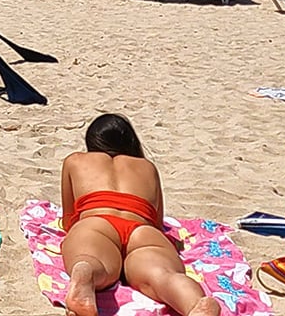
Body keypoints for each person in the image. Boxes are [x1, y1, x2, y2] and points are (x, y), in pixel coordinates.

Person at [59, 114, 219, 316]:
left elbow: (68, 220)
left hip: (96, 223)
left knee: (92, 260)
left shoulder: (75, 160)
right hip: (142, 231)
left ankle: (86, 273)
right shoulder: (147, 167)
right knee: (164, 276)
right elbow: (157, 222)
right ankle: (196, 304)